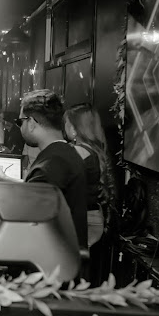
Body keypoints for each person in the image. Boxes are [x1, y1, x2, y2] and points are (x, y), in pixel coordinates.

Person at [0, 90, 88, 248]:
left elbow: (33, 224)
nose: (20, 128)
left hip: (53, 258)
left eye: (20, 122)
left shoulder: (51, 164)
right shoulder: (64, 153)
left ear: (31, 123)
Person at [64, 103, 116, 247]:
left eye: (66, 123)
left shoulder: (79, 152)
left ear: (73, 128)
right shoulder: (96, 150)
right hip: (95, 217)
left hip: (84, 221)